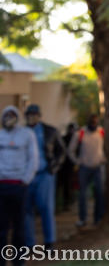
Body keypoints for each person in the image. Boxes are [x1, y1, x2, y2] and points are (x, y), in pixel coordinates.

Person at [23, 104, 65, 250]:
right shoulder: (22, 132)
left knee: (46, 207)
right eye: (29, 114)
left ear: (39, 116)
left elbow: (61, 151)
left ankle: (49, 242)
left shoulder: (50, 131)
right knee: (26, 209)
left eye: (34, 114)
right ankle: (29, 244)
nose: (31, 117)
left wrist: (53, 167)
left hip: (44, 174)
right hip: (26, 176)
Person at [0, 106, 37, 265]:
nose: (9, 118)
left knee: (19, 225)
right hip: (2, 186)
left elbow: (33, 159)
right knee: (1, 227)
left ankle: (18, 260)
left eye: (12, 115)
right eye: (6, 115)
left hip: (20, 186)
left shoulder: (27, 135)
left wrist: (25, 180)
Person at [67, 114, 105, 228]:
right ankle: (82, 218)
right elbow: (70, 150)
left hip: (98, 167)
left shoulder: (101, 132)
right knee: (82, 194)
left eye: (95, 123)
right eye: (92, 123)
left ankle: (98, 218)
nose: (94, 125)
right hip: (84, 167)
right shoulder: (80, 133)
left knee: (99, 192)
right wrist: (77, 161)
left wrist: (104, 158)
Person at [57, 122, 77, 212]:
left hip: (70, 166)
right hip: (63, 166)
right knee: (63, 185)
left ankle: (68, 202)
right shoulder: (64, 138)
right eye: (70, 129)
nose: (71, 131)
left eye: (73, 129)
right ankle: (63, 203)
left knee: (69, 185)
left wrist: (76, 162)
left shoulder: (77, 139)